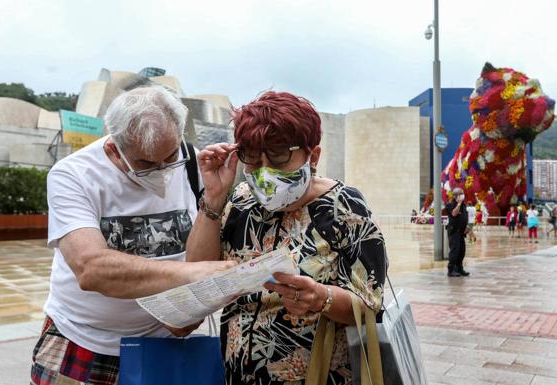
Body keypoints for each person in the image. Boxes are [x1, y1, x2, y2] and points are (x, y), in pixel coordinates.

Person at [30, 86, 235, 385]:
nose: (163, 170)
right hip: (85, 340)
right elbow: (91, 269)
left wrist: (190, 309)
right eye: (146, 163)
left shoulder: (190, 163)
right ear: (114, 149)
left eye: (170, 156)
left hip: (163, 342)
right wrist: (192, 274)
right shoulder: (74, 175)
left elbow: (197, 257)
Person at [185, 91, 387, 384]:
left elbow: (369, 303)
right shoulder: (241, 201)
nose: (264, 172)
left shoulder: (345, 207)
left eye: (279, 156)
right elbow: (197, 272)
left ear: (312, 156)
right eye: (252, 157)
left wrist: (321, 297)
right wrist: (214, 198)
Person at [445, 188, 470, 277]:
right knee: (454, 251)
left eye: (462, 193)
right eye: (460, 194)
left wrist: (467, 227)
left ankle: (459, 268)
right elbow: (454, 214)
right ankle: (451, 270)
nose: (462, 195)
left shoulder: (463, 205)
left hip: (461, 232)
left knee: (461, 251)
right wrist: (458, 204)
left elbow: (464, 216)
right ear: (456, 196)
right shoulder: (451, 205)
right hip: (454, 231)